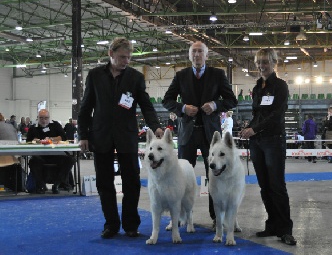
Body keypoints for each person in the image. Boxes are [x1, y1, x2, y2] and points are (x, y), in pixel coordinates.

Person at [78, 37, 163, 239]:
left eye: (128, 57)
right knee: (104, 183)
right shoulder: (95, 75)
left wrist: (156, 126)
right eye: (122, 57)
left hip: (127, 136)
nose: (126, 61)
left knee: (132, 182)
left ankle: (131, 224)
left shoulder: (135, 77)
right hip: (101, 135)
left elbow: (146, 105)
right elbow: (85, 108)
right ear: (111, 54)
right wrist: (83, 135)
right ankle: (111, 224)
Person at [162, 40, 237, 230]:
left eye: (200, 52)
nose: (196, 55)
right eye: (193, 52)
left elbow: (231, 100)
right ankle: (178, 217)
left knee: (215, 177)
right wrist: (182, 108)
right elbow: (167, 100)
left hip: (211, 135)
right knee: (180, 177)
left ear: (207, 55)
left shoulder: (218, 75)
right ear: (189, 55)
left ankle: (217, 218)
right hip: (187, 133)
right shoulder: (180, 76)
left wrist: (215, 105)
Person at [239, 48, 296, 245]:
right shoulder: (257, 87)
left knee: (277, 186)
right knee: (264, 187)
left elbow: (276, 116)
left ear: (274, 63)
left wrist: (255, 129)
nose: (262, 66)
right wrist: (249, 128)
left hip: (273, 140)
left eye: (266, 62)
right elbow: (258, 114)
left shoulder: (280, 86)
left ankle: (285, 229)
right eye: (259, 63)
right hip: (257, 143)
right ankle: (271, 225)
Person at [26, 109, 74, 194]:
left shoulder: (55, 125)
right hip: (40, 156)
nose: (44, 120)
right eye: (41, 118)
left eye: (46, 118)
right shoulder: (33, 128)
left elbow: (64, 137)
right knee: (33, 162)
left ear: (49, 117)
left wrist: (52, 139)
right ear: (38, 118)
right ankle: (41, 185)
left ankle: (57, 184)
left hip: (57, 155)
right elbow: (28, 141)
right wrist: (35, 140)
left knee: (70, 160)